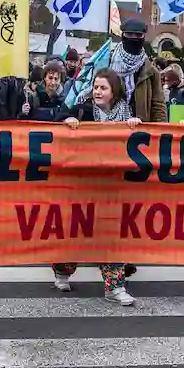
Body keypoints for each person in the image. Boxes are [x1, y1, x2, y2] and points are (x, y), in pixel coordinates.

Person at [56, 69, 140, 305]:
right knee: (78, 233)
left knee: (111, 234)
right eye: (95, 87)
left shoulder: (126, 113)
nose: (97, 91)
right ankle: (62, 269)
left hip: (112, 186)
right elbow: (57, 119)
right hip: (82, 184)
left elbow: (137, 141)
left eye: (103, 88)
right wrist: (67, 120)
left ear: (114, 91)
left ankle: (114, 287)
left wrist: (134, 125)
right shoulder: (81, 109)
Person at [113, 17, 167, 123]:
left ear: (143, 37)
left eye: (138, 35)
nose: (134, 38)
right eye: (129, 34)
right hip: (113, 126)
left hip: (140, 128)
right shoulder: (109, 63)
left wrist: (161, 132)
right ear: (123, 35)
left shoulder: (151, 71)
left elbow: (158, 105)